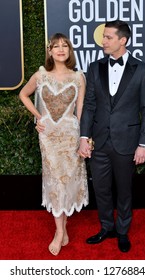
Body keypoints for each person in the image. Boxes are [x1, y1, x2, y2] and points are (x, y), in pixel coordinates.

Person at [78, 20, 145, 253]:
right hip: (99, 142)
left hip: (128, 142)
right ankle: (106, 228)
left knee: (124, 189)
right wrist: (83, 137)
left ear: (123, 40)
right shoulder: (94, 67)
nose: (104, 41)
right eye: (104, 37)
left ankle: (122, 231)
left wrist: (143, 144)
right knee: (100, 189)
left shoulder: (142, 70)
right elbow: (89, 106)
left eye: (109, 37)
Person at [19, 33, 88, 256]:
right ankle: (59, 232)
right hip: (48, 137)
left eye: (64, 46)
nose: (60, 49)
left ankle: (63, 227)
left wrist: (83, 138)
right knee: (55, 182)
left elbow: (80, 112)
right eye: (55, 46)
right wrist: (38, 117)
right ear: (50, 51)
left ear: (69, 51)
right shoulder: (40, 76)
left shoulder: (78, 78)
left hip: (70, 137)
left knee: (66, 183)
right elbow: (23, 95)